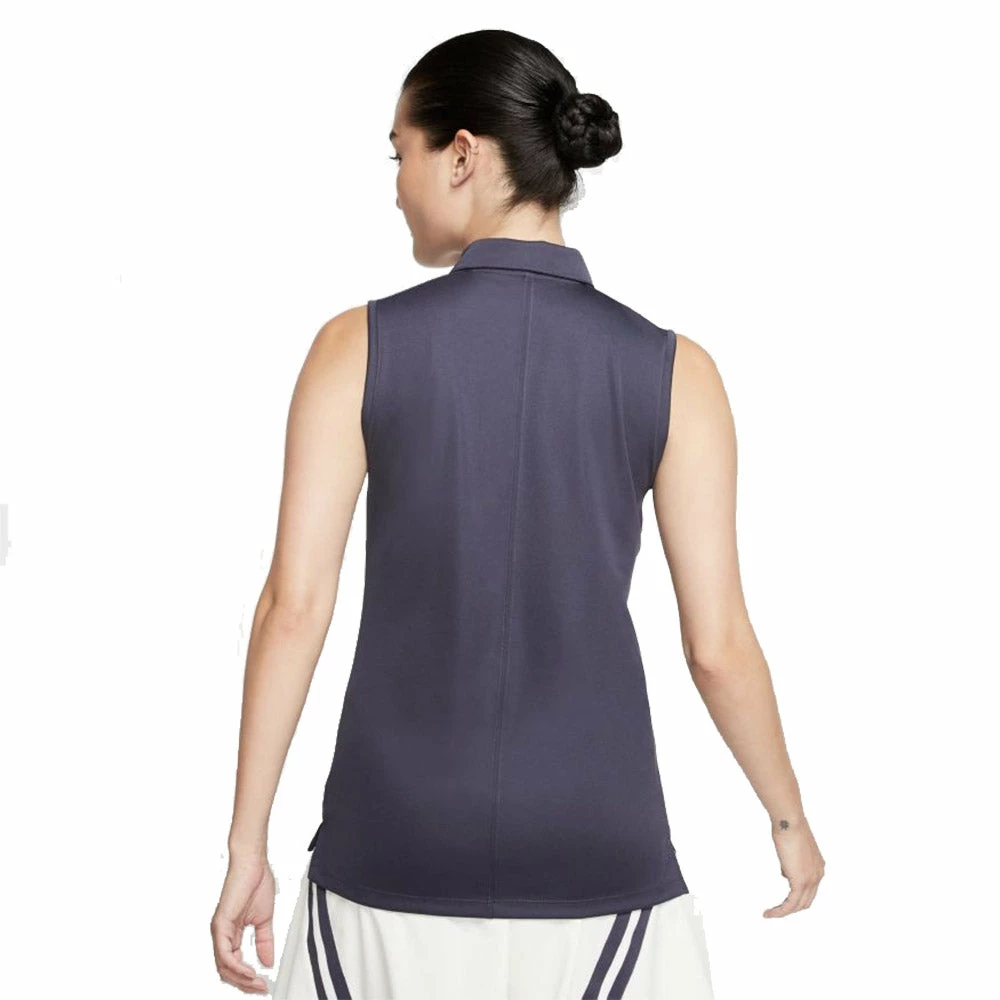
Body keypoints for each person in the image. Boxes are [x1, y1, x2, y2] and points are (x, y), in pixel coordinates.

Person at [210, 28, 824, 999]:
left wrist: (248, 844)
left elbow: (294, 608)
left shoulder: (355, 348)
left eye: (399, 153)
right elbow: (717, 645)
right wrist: (786, 817)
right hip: (601, 859)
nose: (395, 185)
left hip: (391, 847)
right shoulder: (676, 371)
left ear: (461, 154)